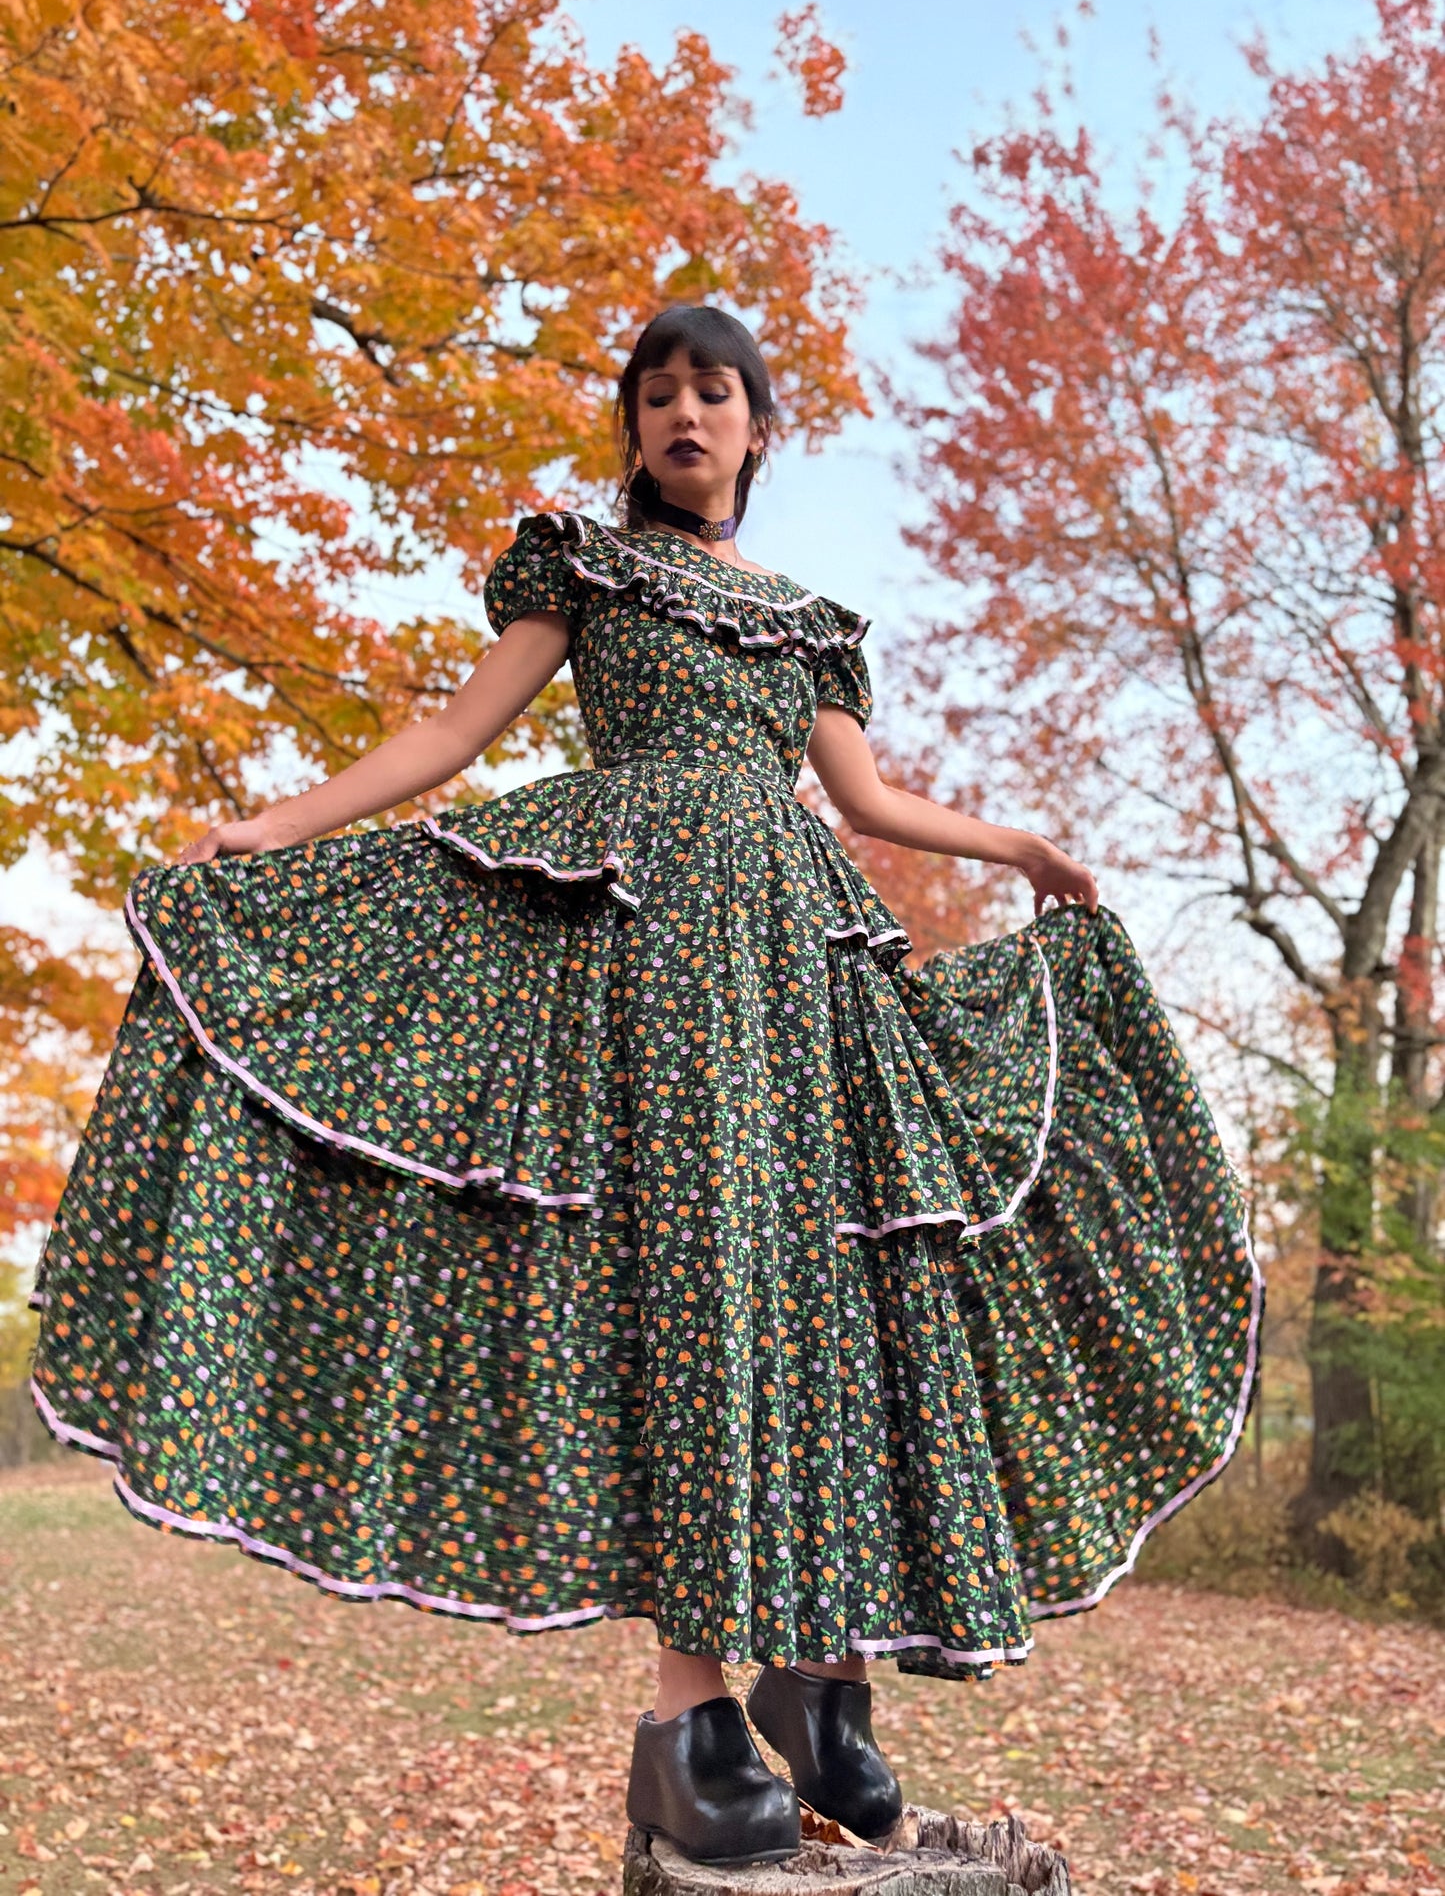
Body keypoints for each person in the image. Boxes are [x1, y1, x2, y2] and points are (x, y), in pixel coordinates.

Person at [28, 305, 1262, 1871]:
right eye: (658, 393)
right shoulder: (585, 568)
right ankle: (689, 1721)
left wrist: (1014, 846)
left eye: (715, 392)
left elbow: (863, 797)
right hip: (643, 971)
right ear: (634, 430)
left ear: (757, 430)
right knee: (690, 1294)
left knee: (823, 1293)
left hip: (801, 971)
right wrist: (273, 827)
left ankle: (818, 1675)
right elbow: (452, 730)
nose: (686, 412)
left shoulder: (810, 619)